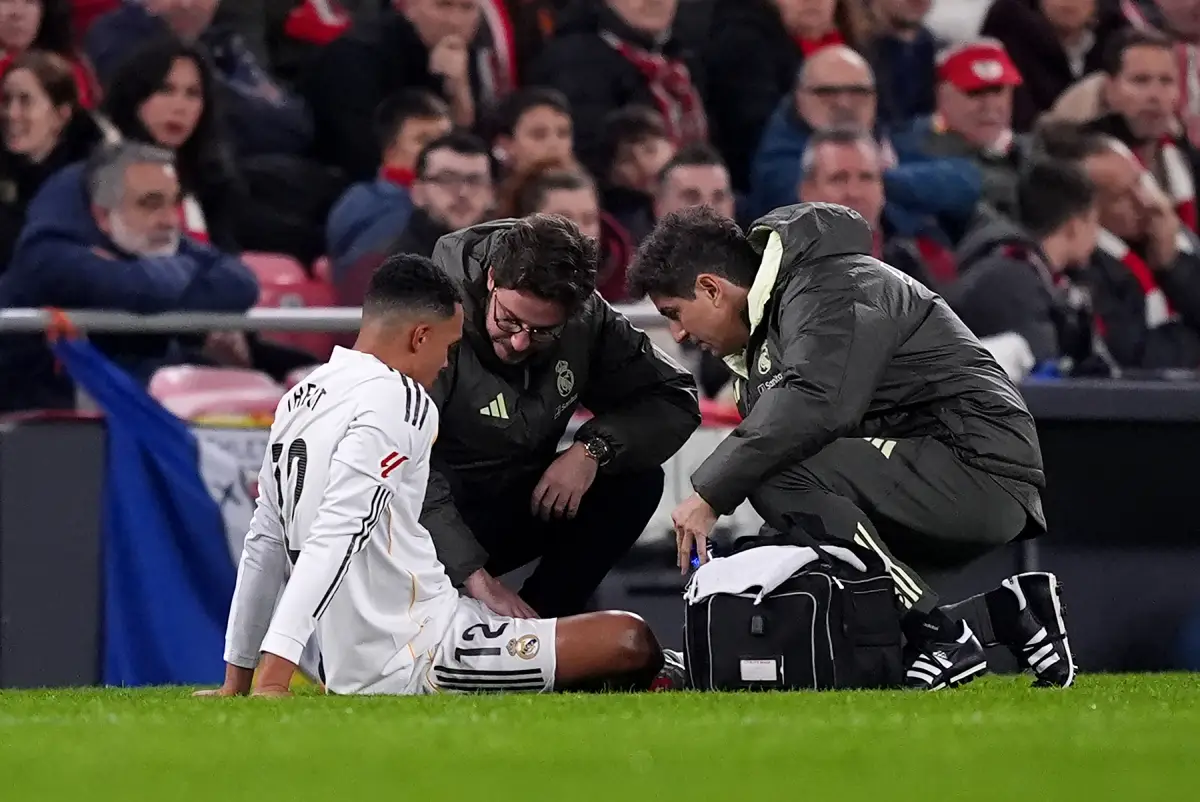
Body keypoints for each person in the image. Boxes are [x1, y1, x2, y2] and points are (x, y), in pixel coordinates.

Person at [627, 203, 1076, 690]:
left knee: (776, 474)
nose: (678, 334)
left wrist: (711, 491)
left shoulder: (829, 286)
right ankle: (1010, 613)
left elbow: (819, 400)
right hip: (937, 466)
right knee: (812, 570)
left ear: (712, 289)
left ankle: (943, 638)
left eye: (674, 314)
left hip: (978, 465)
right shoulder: (770, 339)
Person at [202, 252, 678, 697]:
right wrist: (272, 679)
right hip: (426, 648)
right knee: (630, 639)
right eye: (449, 346)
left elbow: (264, 540)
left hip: (372, 642)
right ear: (419, 337)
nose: (448, 362)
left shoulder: (302, 397)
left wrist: (237, 680)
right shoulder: (400, 399)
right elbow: (337, 535)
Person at [423, 214, 701, 620]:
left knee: (634, 481)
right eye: (508, 320)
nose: (519, 341)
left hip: (516, 496)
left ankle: (537, 634)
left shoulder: (587, 318)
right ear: (491, 279)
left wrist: (593, 448)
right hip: (423, 519)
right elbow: (401, 465)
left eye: (541, 331)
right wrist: (476, 577)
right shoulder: (431, 313)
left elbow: (673, 396)